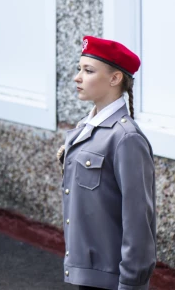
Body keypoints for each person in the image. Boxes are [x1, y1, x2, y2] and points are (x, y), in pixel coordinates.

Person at [58, 36, 156, 290]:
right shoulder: (87, 127)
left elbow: (138, 220)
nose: (77, 77)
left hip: (111, 279)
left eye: (88, 70)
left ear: (115, 79)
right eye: (79, 69)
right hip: (88, 273)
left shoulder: (126, 138)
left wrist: (131, 283)